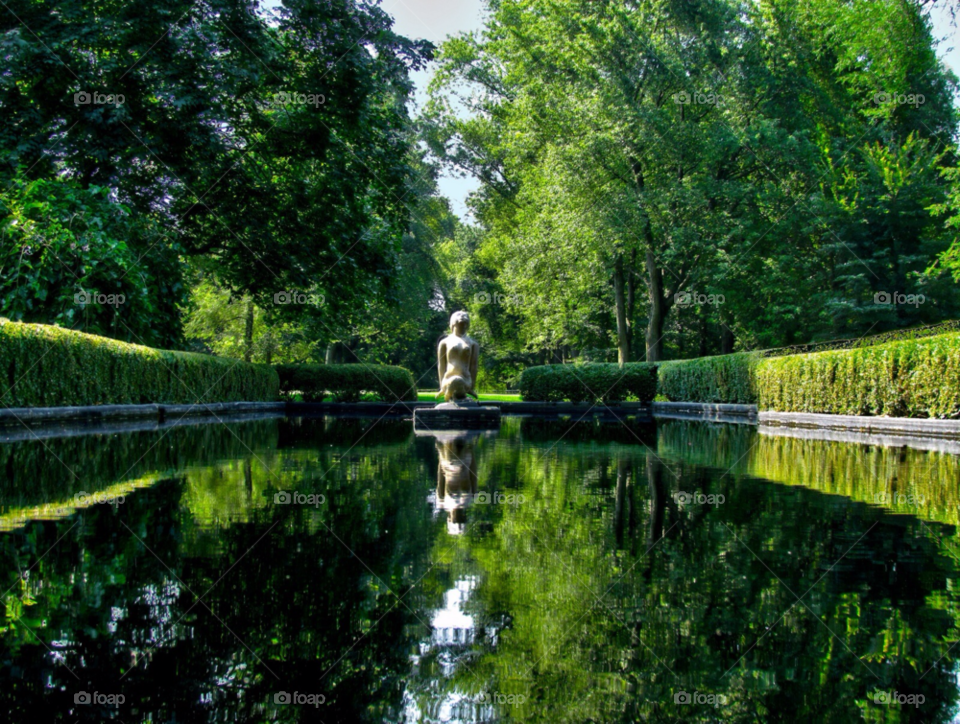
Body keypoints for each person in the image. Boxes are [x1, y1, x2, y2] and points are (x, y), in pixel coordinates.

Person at [437, 311, 480, 403]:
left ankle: (456, 394)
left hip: (465, 380)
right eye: (459, 315)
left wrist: (471, 387)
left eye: (465, 316)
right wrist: (441, 387)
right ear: (453, 321)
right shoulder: (444, 342)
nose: (463, 316)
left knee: (458, 381)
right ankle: (449, 393)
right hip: (449, 379)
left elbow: (474, 366)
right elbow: (441, 365)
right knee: (456, 380)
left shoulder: (473, 344)